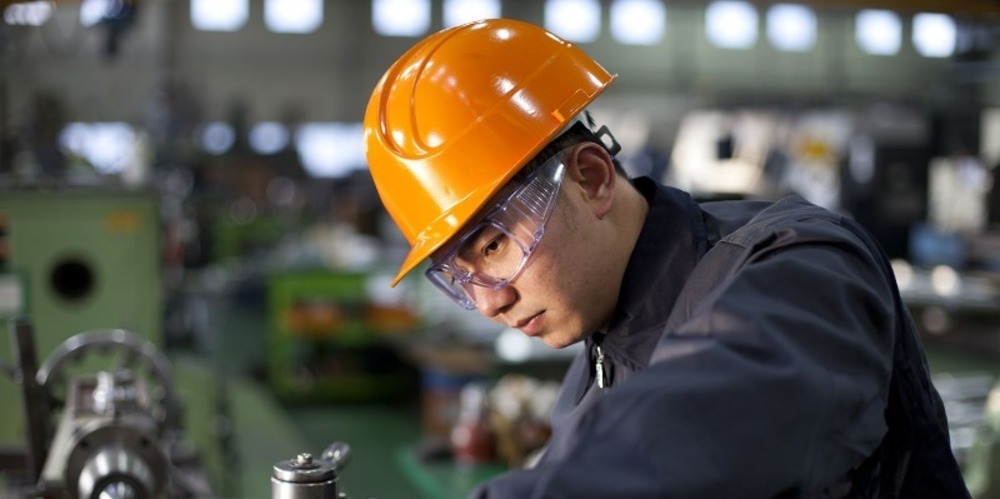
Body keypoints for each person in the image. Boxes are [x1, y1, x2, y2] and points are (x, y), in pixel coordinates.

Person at [362, 18, 970, 499]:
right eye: (459, 277)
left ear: (594, 179)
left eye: (494, 245)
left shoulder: (801, 266)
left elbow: (695, 429)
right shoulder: (594, 368)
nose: (490, 300)